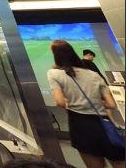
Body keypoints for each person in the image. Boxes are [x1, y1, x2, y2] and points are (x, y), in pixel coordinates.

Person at [47, 40, 124, 168]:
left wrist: (74, 104)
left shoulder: (53, 73)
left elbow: (59, 101)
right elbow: (111, 104)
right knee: (119, 162)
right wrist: (94, 102)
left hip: (80, 124)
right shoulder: (94, 75)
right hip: (104, 123)